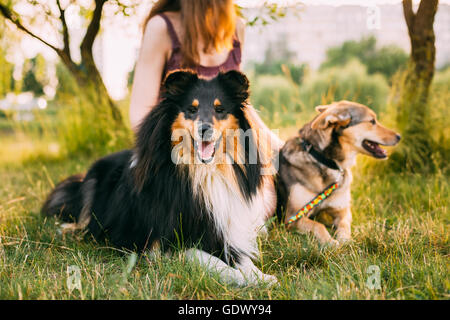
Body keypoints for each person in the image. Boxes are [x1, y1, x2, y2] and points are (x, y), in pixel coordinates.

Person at [129, 0, 284, 150]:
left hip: (223, 152)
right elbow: (139, 115)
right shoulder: (161, 26)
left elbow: (240, 105)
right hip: (171, 149)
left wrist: (279, 147)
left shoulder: (236, 27)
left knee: (280, 168)